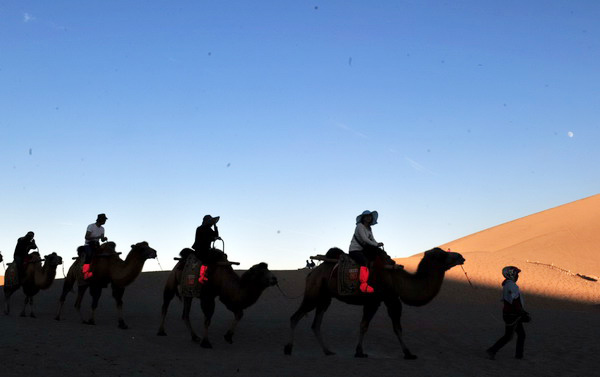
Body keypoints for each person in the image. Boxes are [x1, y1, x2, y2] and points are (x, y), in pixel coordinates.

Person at [486, 266, 531, 360]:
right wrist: (521, 312)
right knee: (508, 336)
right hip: (513, 315)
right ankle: (492, 350)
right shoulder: (511, 285)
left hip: (513, 314)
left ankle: (519, 356)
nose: (518, 276)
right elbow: (514, 300)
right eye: (516, 274)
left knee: (521, 335)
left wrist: (522, 312)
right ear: (511, 274)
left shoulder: (508, 284)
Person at [349, 210, 384, 293]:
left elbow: (372, 240)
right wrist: (375, 245)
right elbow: (365, 239)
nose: (369, 217)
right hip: (355, 250)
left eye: (370, 216)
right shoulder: (359, 226)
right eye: (367, 216)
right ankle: (363, 285)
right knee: (364, 262)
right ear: (363, 218)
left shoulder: (369, 228)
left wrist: (378, 244)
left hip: (363, 250)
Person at [191, 214, 222, 283]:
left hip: (207, 249)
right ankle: (202, 277)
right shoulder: (199, 229)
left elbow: (216, 235)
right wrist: (212, 238)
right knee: (206, 260)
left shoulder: (209, 229)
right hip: (200, 249)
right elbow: (204, 239)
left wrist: (215, 226)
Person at [82, 213, 108, 279]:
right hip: (88, 244)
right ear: (100, 220)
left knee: (106, 254)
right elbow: (86, 237)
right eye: (104, 219)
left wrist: (103, 239)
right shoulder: (91, 226)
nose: (105, 221)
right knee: (89, 256)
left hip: (97, 245)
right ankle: (85, 273)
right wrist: (98, 237)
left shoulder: (102, 229)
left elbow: (101, 240)